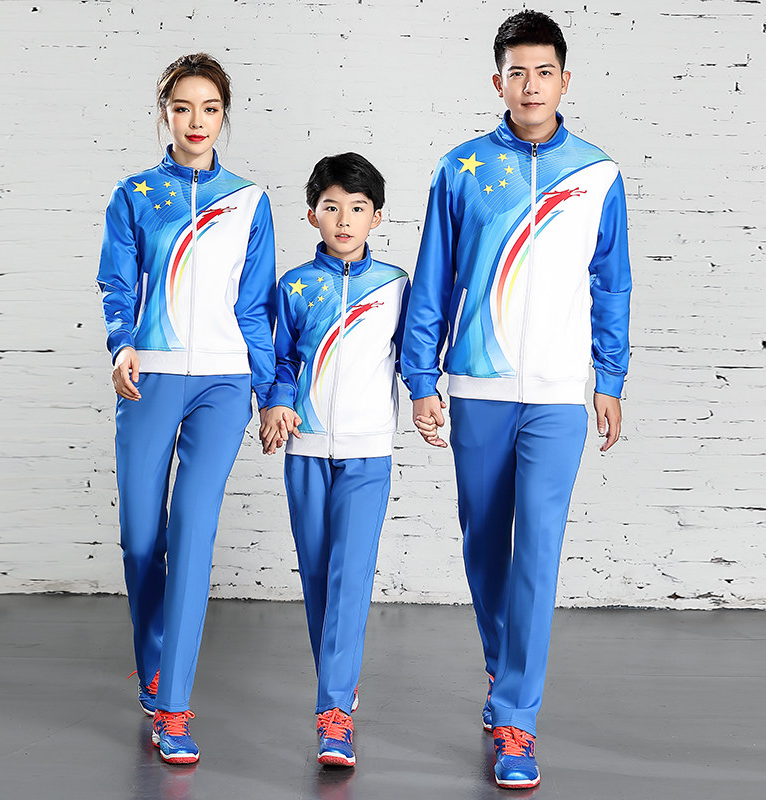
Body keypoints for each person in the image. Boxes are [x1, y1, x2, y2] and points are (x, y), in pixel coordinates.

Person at [401, 11, 632, 790]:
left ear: (565, 80)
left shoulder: (598, 175)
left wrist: (609, 378)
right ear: (497, 81)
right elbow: (433, 278)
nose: (531, 85)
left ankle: (517, 721)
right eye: (517, 72)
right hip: (479, 387)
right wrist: (421, 379)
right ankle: (504, 675)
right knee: (483, 545)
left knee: (536, 547)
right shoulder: (461, 170)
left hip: (560, 395)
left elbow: (612, 283)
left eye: (544, 71)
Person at [96, 53, 276, 765]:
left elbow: (256, 306)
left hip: (224, 385)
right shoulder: (134, 194)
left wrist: (272, 392)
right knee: (142, 539)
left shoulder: (249, 201)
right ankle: (153, 667)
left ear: (224, 116)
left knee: (193, 533)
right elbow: (116, 284)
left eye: (209, 109)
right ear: (164, 113)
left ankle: (174, 709)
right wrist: (121, 346)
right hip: (150, 378)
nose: (196, 122)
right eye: (182, 108)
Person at [260, 153, 409, 768]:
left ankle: (335, 713)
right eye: (331, 208)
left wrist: (427, 399)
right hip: (305, 448)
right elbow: (280, 359)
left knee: (352, 574)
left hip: (368, 449)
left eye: (357, 208)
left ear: (377, 216)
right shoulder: (293, 286)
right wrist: (275, 403)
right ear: (312, 214)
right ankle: (338, 686)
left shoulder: (396, 285)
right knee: (319, 575)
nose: (344, 220)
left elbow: (413, 354)